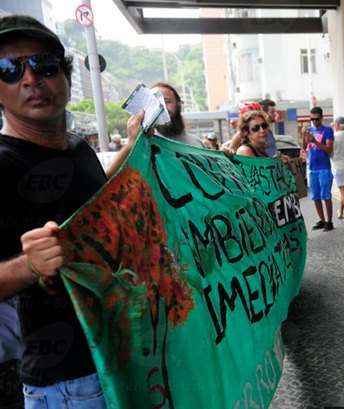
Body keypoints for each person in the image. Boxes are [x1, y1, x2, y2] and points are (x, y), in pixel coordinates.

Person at [0, 15, 144, 408]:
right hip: (70, 383)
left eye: (44, 65)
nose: (31, 79)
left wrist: (134, 150)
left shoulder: (78, 149)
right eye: (10, 70)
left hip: (125, 358)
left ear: (63, 76)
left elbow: (96, 203)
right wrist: (27, 265)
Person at [304, 106, 335, 231]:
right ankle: (322, 220)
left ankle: (329, 221)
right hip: (312, 168)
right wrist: (304, 137)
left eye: (317, 119)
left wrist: (315, 141)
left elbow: (329, 150)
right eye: (312, 119)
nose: (314, 122)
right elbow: (304, 146)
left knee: (326, 196)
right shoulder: (309, 130)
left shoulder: (328, 130)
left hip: (324, 168)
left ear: (321, 118)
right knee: (315, 197)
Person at [151, 82, 201, 147]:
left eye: (167, 101)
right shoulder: (142, 144)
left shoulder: (196, 144)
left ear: (178, 104)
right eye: (155, 103)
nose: (162, 107)